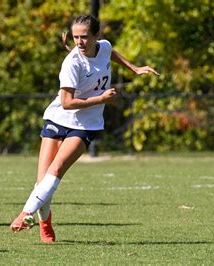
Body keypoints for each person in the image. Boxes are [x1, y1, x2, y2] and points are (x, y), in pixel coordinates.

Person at [9, 14, 159, 243]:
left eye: (84, 37)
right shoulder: (71, 63)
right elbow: (67, 103)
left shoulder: (104, 46)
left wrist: (134, 68)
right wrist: (101, 99)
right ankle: (45, 223)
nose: (79, 42)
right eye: (75, 37)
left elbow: (110, 53)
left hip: (85, 125)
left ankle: (25, 213)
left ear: (96, 36)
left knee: (57, 169)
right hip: (59, 117)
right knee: (42, 183)